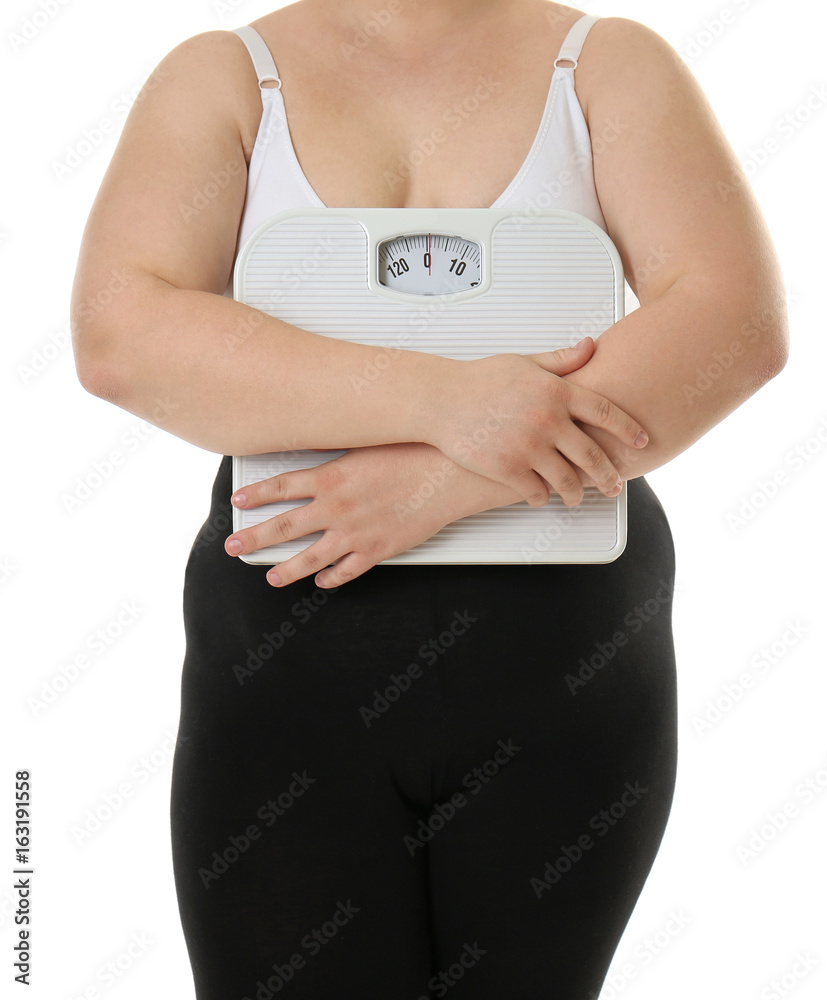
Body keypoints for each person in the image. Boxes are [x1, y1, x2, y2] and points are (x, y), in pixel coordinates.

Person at [69, 1, 789, 997]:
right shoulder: (224, 77)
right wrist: (450, 398)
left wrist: (441, 483)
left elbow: (734, 322)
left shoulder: (609, 66)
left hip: (566, 665)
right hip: (290, 658)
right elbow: (122, 338)